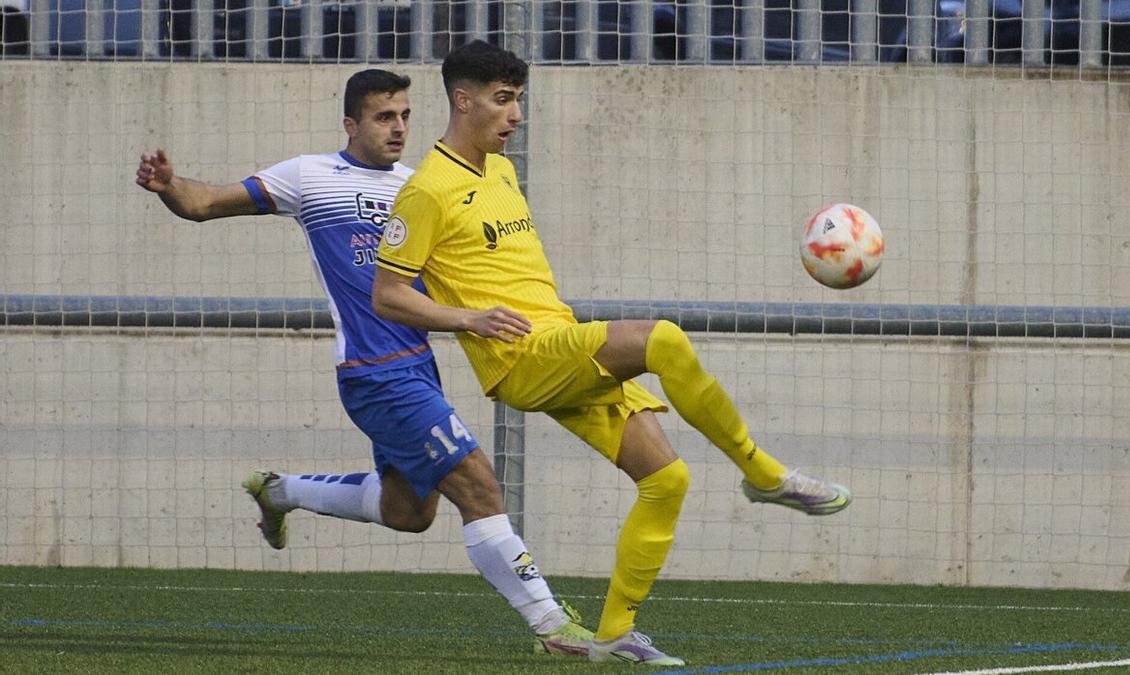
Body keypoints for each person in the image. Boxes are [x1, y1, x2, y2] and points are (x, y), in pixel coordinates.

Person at [370, 41, 852, 666]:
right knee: (661, 338)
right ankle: (763, 474)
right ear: (463, 101)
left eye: (519, 100)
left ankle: (613, 634)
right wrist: (469, 317)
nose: (515, 115)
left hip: (560, 346)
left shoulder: (502, 170)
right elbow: (387, 295)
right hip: (522, 358)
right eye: (503, 100)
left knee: (667, 480)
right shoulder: (427, 191)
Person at [134, 68, 593, 657]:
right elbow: (204, 204)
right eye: (383, 117)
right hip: (375, 374)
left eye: (404, 115)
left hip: (417, 365)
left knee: (409, 512)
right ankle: (552, 627)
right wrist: (171, 185)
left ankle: (280, 491)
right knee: (479, 484)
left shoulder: (421, 186)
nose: (398, 127)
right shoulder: (311, 176)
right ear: (351, 124)